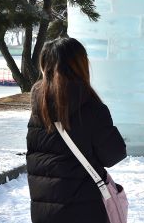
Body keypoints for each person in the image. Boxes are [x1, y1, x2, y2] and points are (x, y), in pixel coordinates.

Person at [26, 37, 127, 223]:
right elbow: (113, 155)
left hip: (44, 210)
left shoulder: (38, 109)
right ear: (80, 65)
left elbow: (36, 158)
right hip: (85, 209)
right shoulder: (92, 108)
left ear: (44, 65)